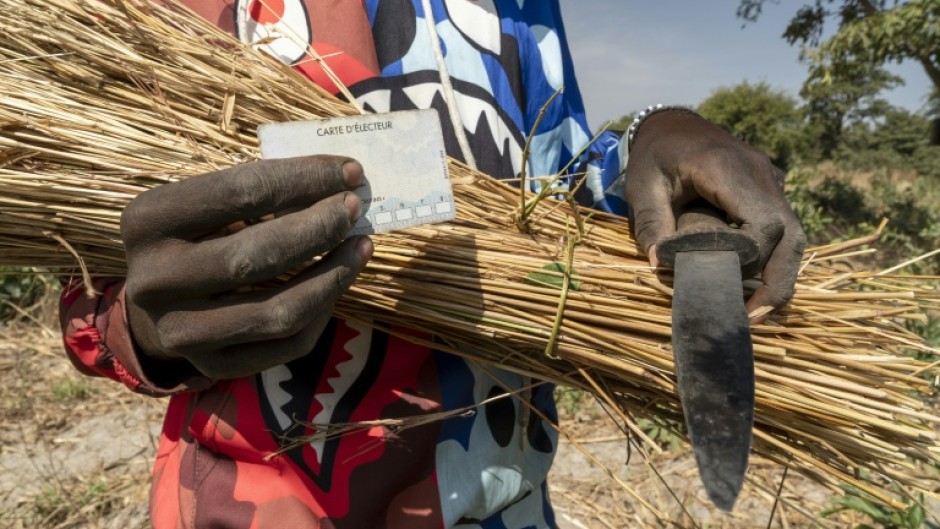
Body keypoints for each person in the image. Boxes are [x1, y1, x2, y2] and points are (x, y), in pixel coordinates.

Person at [59, 1, 806, 528]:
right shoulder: (157, 14)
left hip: (501, 501)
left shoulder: (512, 9)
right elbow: (89, 276)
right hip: (249, 507)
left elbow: (555, 178)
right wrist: (140, 328)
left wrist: (652, 135)